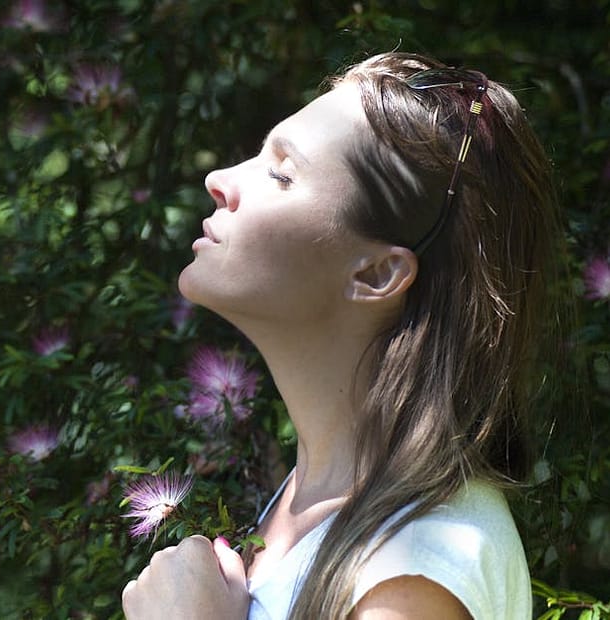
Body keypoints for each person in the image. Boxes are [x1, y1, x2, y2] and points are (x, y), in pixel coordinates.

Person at [121, 51, 560, 619]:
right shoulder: (318, 501)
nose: (220, 180)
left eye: (281, 174)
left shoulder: (414, 569)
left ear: (377, 274)